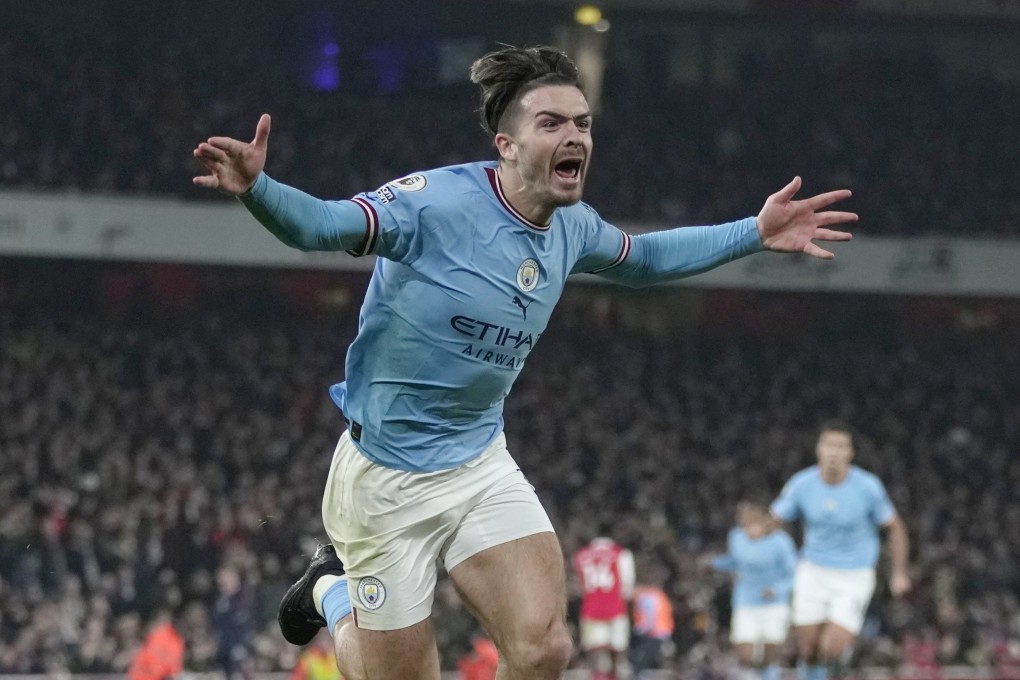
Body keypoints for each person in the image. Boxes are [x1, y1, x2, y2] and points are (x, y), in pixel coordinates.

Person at [192, 44, 856, 680]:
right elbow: (322, 226)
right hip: (385, 480)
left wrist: (754, 232)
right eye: (552, 123)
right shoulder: (434, 205)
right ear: (506, 145)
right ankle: (331, 591)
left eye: (583, 124)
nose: (575, 137)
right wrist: (258, 189)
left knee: (544, 649)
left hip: (478, 461)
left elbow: (646, 259)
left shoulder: (573, 225)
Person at [770, 421, 911, 680]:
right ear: (818, 449)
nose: (834, 452)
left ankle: (836, 666)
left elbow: (895, 527)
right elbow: (773, 521)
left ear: (850, 453)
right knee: (808, 649)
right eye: (829, 445)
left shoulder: (867, 487)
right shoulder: (801, 484)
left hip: (853, 576)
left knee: (831, 648)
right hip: (813, 571)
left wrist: (899, 572)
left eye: (840, 446)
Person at [709, 500, 797, 680]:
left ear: (764, 521)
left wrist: (777, 590)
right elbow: (735, 561)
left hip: (774, 605)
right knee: (745, 654)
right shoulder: (736, 537)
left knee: (770, 654)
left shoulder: (781, 542)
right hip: (746, 602)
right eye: (743, 522)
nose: (746, 526)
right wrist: (714, 563)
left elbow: (794, 575)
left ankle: (769, 675)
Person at [572, 535, 636, 679]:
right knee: (617, 651)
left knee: (596, 652)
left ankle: (599, 676)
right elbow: (627, 585)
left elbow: (579, 585)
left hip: (591, 609)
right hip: (616, 609)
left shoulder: (581, 555)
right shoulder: (621, 553)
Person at [629, 562, 675, 679]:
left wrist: (645, 630)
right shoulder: (660, 595)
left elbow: (649, 618)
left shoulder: (648, 596)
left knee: (641, 664)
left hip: (653, 634)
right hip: (662, 634)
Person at [127, 608, 185, 680]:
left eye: (166, 620)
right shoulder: (146, 641)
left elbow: (174, 667)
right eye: (160, 619)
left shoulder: (175, 641)